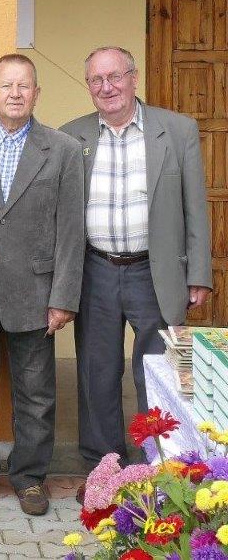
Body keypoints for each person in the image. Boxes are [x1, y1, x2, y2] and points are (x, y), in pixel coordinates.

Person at [60, 46, 212, 502]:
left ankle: (159, 470)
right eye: (96, 80)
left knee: (159, 372)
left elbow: (194, 206)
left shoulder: (177, 129)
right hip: (95, 269)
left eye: (115, 77)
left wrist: (198, 273)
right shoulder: (71, 136)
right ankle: (104, 468)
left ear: (134, 77)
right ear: (88, 86)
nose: (106, 87)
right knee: (97, 372)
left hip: (154, 270)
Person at [0, 54, 84, 516]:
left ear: (37, 93)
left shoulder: (63, 149)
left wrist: (63, 297)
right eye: (6, 85)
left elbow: (71, 230)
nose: (15, 93)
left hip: (36, 292)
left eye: (24, 85)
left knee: (36, 394)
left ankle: (29, 478)